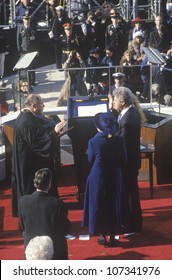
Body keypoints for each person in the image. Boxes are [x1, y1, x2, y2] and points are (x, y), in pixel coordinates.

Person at [11, 94, 66, 217]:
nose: (44, 106)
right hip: (28, 166)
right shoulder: (27, 122)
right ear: (34, 106)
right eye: (41, 104)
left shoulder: (27, 117)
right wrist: (54, 133)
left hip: (28, 161)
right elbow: (39, 144)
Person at [82, 112, 127, 247]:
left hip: (98, 177)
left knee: (100, 204)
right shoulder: (119, 139)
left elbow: (90, 160)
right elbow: (124, 159)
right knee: (113, 204)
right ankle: (113, 235)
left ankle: (103, 236)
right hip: (114, 175)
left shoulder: (93, 141)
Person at [109, 87, 143, 234]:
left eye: (115, 100)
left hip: (127, 163)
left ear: (122, 102)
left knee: (130, 193)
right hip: (130, 161)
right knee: (130, 192)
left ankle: (132, 225)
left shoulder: (128, 119)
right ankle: (130, 222)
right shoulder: (130, 112)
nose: (114, 103)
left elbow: (121, 141)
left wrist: (108, 138)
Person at [19, 168, 71, 259]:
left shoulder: (23, 201)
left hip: (31, 249)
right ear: (49, 183)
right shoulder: (57, 203)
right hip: (54, 251)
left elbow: (22, 226)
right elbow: (65, 228)